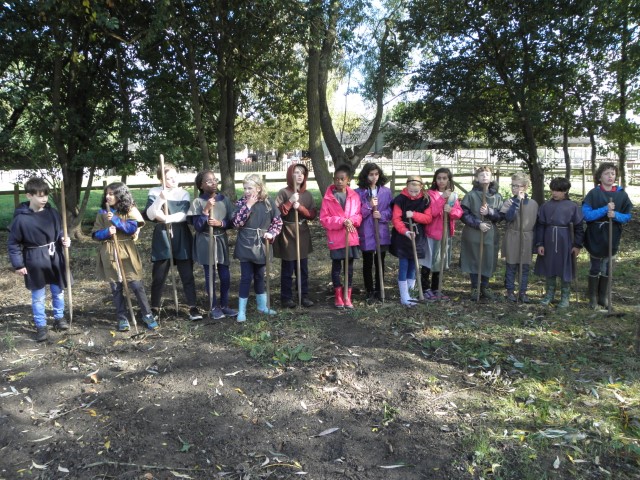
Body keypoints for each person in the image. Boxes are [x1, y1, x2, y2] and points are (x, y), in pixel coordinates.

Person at [8, 177, 71, 342]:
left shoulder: (52, 213)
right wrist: (18, 264)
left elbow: (60, 231)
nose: (44, 199)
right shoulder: (21, 219)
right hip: (34, 258)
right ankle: (41, 326)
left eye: (46, 195)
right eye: (40, 195)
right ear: (29, 196)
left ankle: (59, 318)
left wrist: (64, 239)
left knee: (58, 291)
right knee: (38, 295)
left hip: (54, 256)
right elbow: (13, 243)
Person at [92, 182, 158, 331]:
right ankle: (122, 317)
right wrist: (107, 232)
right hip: (110, 251)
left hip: (127, 250)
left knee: (136, 284)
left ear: (120, 195)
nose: (108, 196)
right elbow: (95, 234)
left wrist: (115, 220)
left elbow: (131, 229)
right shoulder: (102, 212)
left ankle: (147, 314)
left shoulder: (130, 210)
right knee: (116, 286)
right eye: (107, 193)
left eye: (111, 194)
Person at [144, 163, 201, 321]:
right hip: (162, 234)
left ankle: (193, 307)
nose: (174, 180)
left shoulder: (183, 193)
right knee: (159, 275)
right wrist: (160, 199)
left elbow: (183, 214)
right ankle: (155, 307)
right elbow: (150, 214)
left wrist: (166, 218)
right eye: (169, 178)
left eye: (175, 176)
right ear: (161, 179)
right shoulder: (155, 192)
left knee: (187, 274)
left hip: (181, 234)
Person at [232, 174, 283, 322]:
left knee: (260, 276)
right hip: (245, 244)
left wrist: (271, 233)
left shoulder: (268, 203)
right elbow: (236, 223)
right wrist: (248, 206)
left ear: (259, 188)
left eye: (250, 188)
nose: (247, 191)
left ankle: (262, 306)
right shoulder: (242, 202)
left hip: (262, 244)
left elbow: (277, 222)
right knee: (246, 277)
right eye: (245, 188)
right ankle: (242, 310)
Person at [582, 162, 633, 309]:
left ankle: (603, 297)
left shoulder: (621, 194)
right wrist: (605, 209)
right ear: (600, 177)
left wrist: (615, 215)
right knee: (595, 266)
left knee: (607, 266)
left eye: (613, 173)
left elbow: (627, 216)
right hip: (596, 235)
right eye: (606, 173)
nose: (610, 176)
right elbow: (586, 215)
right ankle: (592, 297)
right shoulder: (594, 193)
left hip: (612, 234)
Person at [188, 170, 237, 320]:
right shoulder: (198, 202)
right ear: (201, 185)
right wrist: (206, 210)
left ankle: (225, 305)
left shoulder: (224, 200)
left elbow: (232, 222)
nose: (214, 183)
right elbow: (197, 226)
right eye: (209, 181)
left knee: (225, 274)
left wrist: (220, 223)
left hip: (220, 239)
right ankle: (213, 306)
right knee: (210, 274)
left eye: (215, 180)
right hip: (205, 240)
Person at [534, 177, 584, 308]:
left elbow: (579, 227)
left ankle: (565, 297)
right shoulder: (545, 206)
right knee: (549, 266)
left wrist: (577, 245)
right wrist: (540, 243)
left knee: (565, 267)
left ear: (565, 191)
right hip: (549, 239)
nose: (555, 193)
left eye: (558, 191)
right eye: (553, 190)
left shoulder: (572, 206)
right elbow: (540, 226)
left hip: (565, 240)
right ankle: (549, 294)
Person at [273, 163, 317, 308]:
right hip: (288, 232)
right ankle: (286, 298)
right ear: (290, 174)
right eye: (296, 172)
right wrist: (290, 202)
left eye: (302, 173)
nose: (299, 175)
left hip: (302, 232)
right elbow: (277, 213)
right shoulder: (283, 192)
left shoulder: (307, 194)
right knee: (288, 268)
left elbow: (312, 214)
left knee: (302, 268)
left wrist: (301, 208)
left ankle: (303, 295)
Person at [319, 165, 362, 309]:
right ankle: (338, 295)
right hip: (336, 238)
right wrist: (341, 221)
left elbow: (358, 215)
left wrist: (352, 221)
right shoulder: (328, 198)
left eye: (342, 179)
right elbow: (324, 219)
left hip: (351, 237)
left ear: (348, 180)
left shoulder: (354, 196)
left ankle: (347, 295)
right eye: (336, 179)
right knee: (336, 266)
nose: (339, 181)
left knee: (349, 268)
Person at [460, 166, 504, 301]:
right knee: (474, 258)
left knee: (488, 259)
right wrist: (478, 223)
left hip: (490, 233)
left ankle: (484, 286)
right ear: (476, 178)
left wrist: (489, 212)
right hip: (473, 232)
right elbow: (464, 214)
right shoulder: (471, 195)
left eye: (487, 174)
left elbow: (500, 216)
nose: (484, 176)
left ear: (491, 178)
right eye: (481, 175)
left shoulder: (497, 197)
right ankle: (475, 287)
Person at [390, 175, 432, 307]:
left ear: (421, 187)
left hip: (418, 235)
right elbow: (396, 219)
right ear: (406, 187)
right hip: (403, 236)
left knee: (413, 265)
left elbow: (428, 218)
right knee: (404, 265)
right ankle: (404, 296)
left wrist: (414, 215)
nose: (413, 193)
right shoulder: (400, 199)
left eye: (416, 191)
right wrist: (405, 231)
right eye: (411, 190)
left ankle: (411, 293)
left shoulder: (425, 200)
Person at [420, 168, 462, 301]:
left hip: (445, 233)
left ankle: (436, 288)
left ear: (449, 180)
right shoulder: (429, 194)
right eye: (439, 178)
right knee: (428, 260)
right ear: (435, 180)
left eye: (444, 178)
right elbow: (431, 212)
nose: (441, 181)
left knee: (440, 260)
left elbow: (459, 213)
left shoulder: (453, 196)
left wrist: (451, 211)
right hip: (432, 232)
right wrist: (441, 199)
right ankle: (425, 288)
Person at [355, 162, 392, 304]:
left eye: (376, 174)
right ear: (365, 175)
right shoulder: (359, 193)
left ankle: (379, 289)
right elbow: (357, 213)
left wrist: (382, 215)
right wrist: (368, 206)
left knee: (380, 262)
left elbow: (390, 211)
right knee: (368, 262)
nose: (374, 177)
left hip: (381, 231)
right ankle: (369, 290)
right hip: (366, 231)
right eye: (371, 174)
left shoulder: (386, 192)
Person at [500, 173, 539, 303]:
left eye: (518, 186)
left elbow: (537, 223)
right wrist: (516, 202)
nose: (514, 188)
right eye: (513, 185)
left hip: (527, 237)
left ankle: (522, 292)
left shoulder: (533, 204)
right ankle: (510, 291)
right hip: (513, 236)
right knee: (511, 265)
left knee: (524, 266)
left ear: (525, 186)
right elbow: (508, 218)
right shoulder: (509, 202)